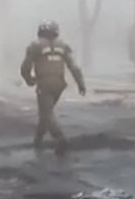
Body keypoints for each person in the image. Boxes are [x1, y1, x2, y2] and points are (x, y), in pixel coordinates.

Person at [20, 20, 86, 154]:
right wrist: (81, 84)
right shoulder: (63, 46)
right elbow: (74, 67)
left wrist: (29, 80)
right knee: (46, 112)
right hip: (59, 85)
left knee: (46, 113)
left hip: (44, 84)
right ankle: (38, 140)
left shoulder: (35, 46)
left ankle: (60, 138)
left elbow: (25, 67)